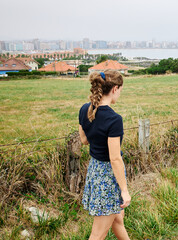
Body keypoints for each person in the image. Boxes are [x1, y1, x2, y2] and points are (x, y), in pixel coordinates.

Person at [78, 70, 131, 240]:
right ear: (115, 88)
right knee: (97, 235)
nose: (120, 93)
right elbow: (115, 158)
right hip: (108, 178)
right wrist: (124, 190)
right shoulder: (114, 119)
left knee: (117, 221)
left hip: (95, 171)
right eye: (121, 89)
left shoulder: (85, 109)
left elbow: (84, 140)